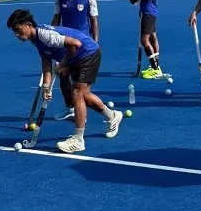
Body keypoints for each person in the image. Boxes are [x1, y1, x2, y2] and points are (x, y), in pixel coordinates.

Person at [7, 9, 122, 154]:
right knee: (84, 96)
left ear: (29, 25)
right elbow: (46, 61)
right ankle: (113, 116)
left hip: (88, 53)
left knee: (77, 94)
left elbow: (75, 44)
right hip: (78, 56)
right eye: (15, 32)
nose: (17, 35)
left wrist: (62, 64)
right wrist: (46, 87)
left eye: (18, 30)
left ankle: (78, 140)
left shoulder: (45, 35)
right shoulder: (35, 39)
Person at [51, 0, 99, 121]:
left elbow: (93, 20)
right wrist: (51, 35)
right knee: (63, 75)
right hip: (65, 41)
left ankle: (82, 112)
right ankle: (70, 107)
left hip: (83, 44)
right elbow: (56, 18)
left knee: (80, 83)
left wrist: (96, 41)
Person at [127, 0, 165, 79]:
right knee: (153, 37)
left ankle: (155, 69)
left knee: (144, 40)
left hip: (150, 11)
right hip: (146, 11)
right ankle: (156, 66)